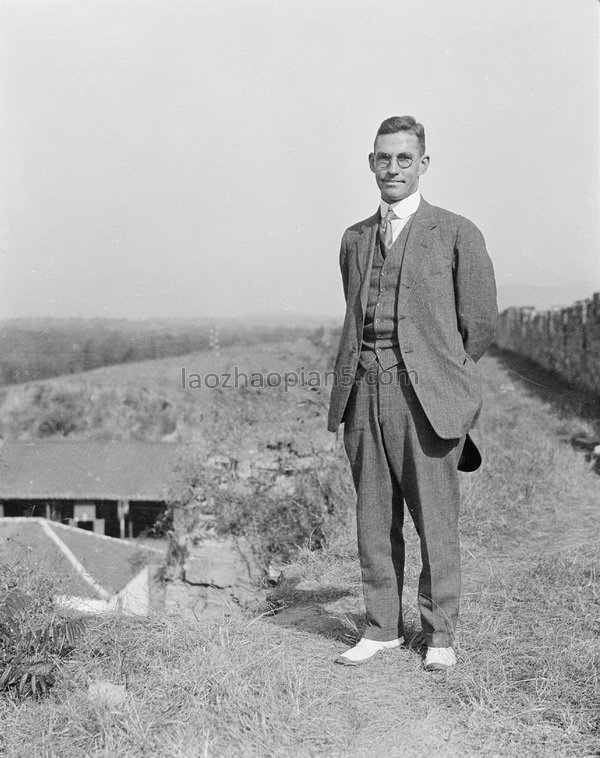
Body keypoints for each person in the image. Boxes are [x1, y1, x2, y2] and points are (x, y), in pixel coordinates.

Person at [328, 116, 497, 670]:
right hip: (363, 392)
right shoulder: (354, 239)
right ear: (371, 163)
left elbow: (480, 326)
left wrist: (441, 376)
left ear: (423, 164)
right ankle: (381, 628)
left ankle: (440, 634)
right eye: (383, 158)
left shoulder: (455, 232)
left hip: (425, 397)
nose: (392, 168)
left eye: (404, 159)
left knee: (434, 519)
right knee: (374, 518)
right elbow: (356, 315)